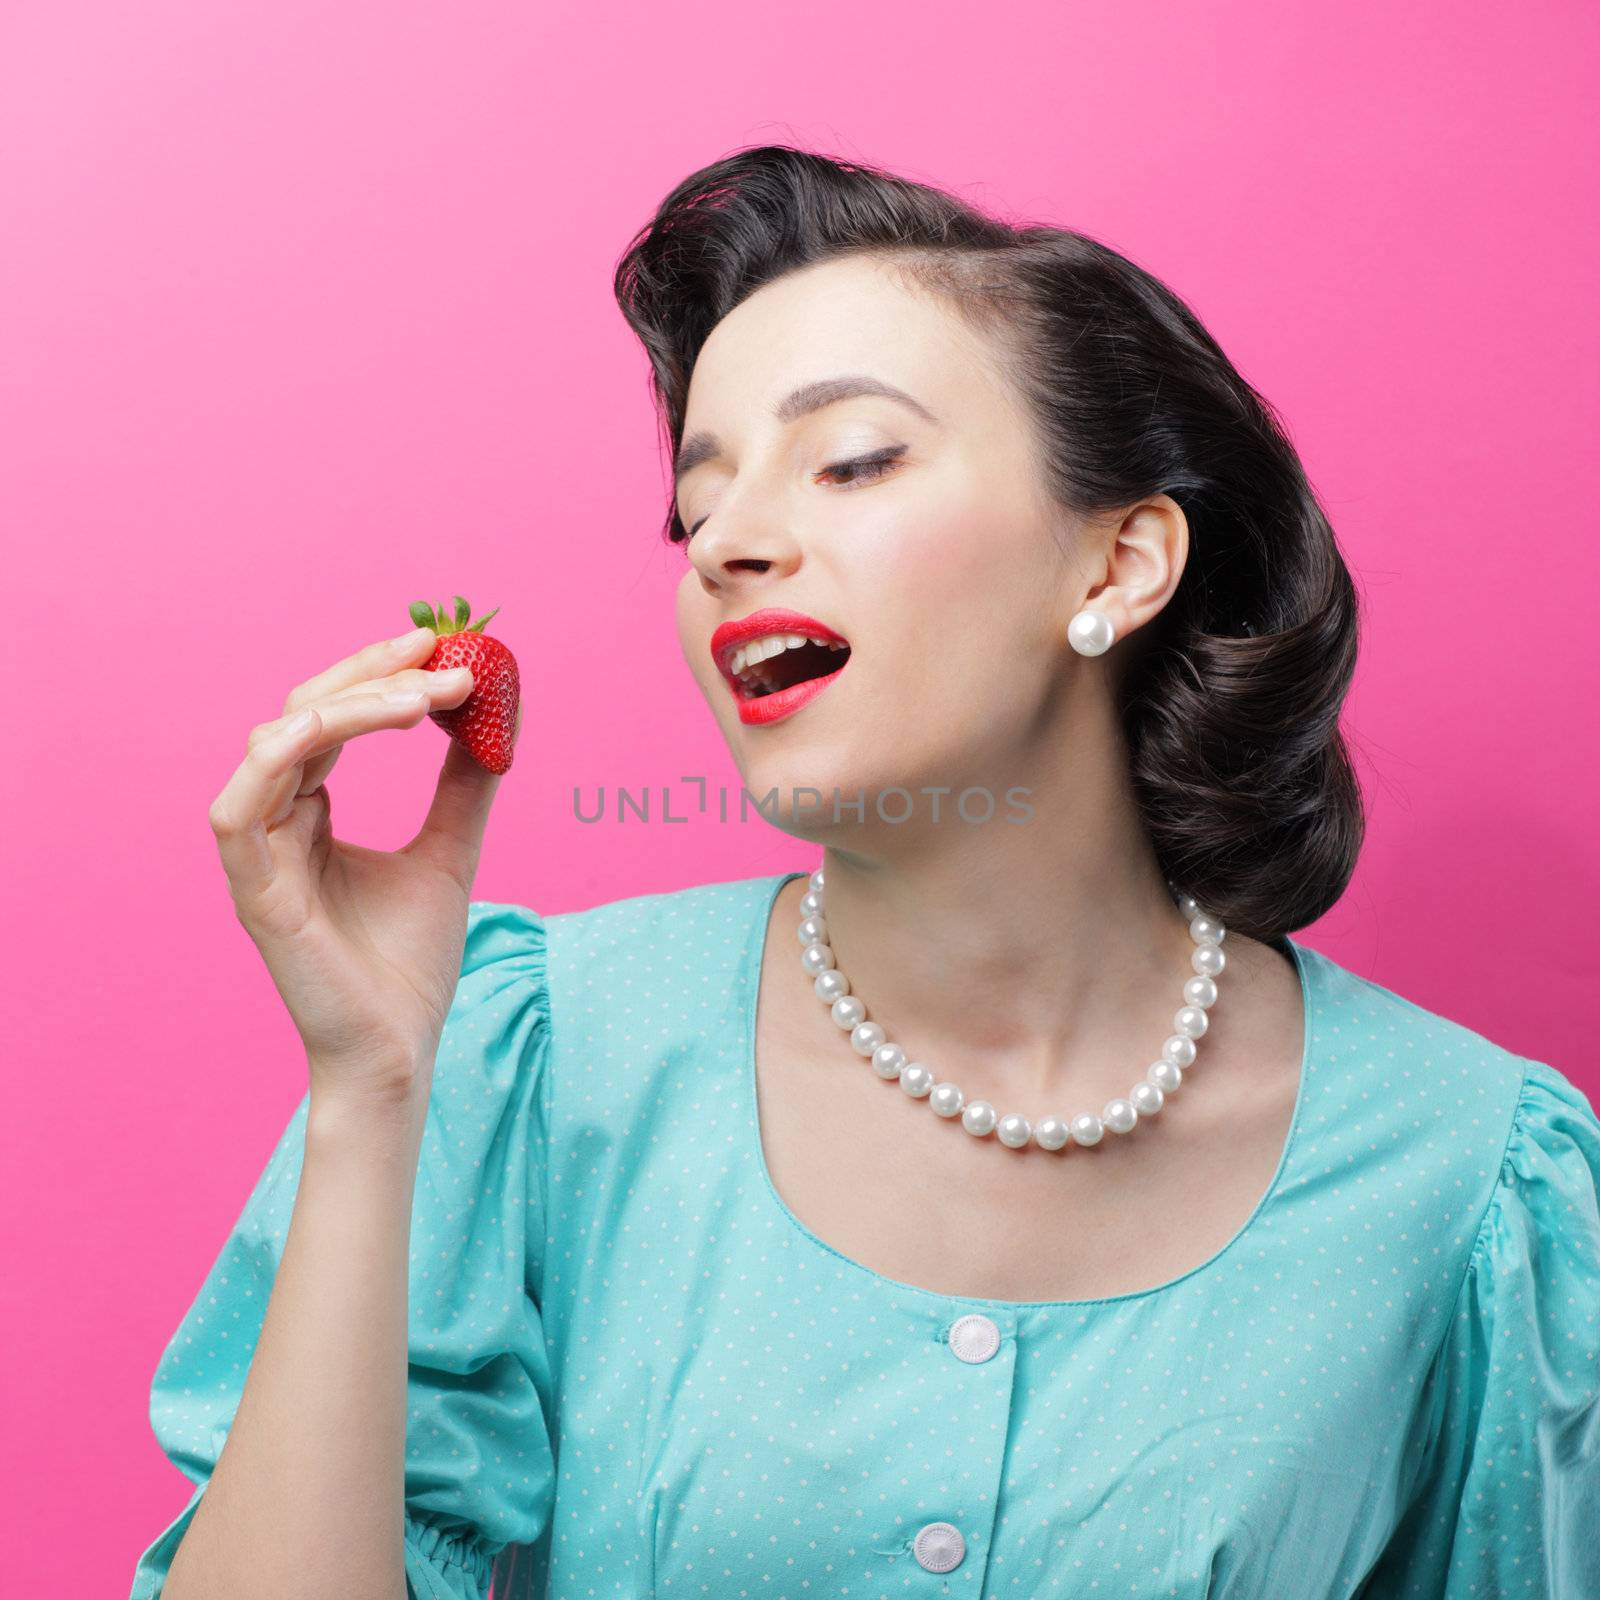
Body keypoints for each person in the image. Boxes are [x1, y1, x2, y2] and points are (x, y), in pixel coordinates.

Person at [129, 145, 1599, 1600]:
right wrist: (374, 1093)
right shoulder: (530, 1052)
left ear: (1119, 565)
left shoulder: (1470, 1182)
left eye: (853, 460)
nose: (728, 547)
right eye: (697, 512)